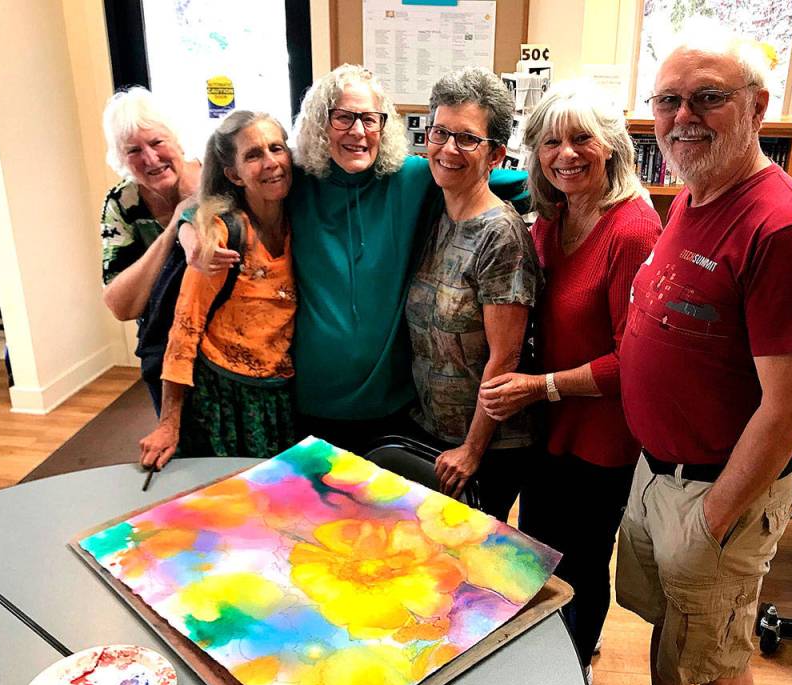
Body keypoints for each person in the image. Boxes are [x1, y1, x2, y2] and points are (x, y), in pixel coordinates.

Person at [598, 34, 792, 685]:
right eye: (668, 100)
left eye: (708, 96)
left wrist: (716, 514)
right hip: (660, 471)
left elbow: (789, 407)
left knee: (722, 653)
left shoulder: (785, 224)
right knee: (679, 625)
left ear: (757, 107)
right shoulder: (695, 193)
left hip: (716, 491)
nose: (683, 116)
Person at [181, 64, 527, 454]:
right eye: (343, 117)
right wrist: (186, 228)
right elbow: (219, 194)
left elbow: (501, 181)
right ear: (321, 124)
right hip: (312, 399)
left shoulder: (413, 177)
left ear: (384, 125)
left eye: (369, 118)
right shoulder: (296, 181)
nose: (358, 131)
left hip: (395, 405)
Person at [478, 80, 661, 672]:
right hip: (548, 424)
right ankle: (543, 660)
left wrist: (540, 386)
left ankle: (573, 671)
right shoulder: (552, 215)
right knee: (538, 551)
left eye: (582, 138)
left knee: (580, 562)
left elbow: (634, 360)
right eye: (550, 142)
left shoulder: (631, 229)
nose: (566, 154)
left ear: (611, 145)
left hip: (599, 430)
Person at [404, 67, 541, 520]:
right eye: (441, 132)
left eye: (467, 139)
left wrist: (472, 449)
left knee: (466, 577)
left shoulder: (501, 236)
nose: (447, 149)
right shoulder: (433, 212)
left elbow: (504, 360)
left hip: (485, 447)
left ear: (496, 154)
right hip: (431, 430)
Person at [139, 111, 296, 470]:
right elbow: (185, 328)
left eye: (276, 148)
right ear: (233, 174)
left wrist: (185, 222)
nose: (271, 162)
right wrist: (168, 423)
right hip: (220, 397)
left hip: (277, 394)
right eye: (253, 155)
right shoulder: (220, 236)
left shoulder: (299, 217)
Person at [99, 87, 201, 413]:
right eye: (133, 150)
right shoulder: (122, 203)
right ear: (120, 158)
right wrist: (173, 228)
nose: (151, 158)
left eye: (157, 142)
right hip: (163, 344)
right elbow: (120, 304)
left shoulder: (220, 180)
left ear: (177, 140)